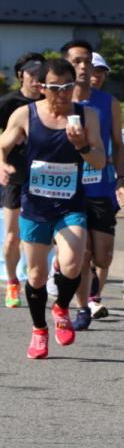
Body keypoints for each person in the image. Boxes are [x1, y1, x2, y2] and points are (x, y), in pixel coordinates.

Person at [0, 58, 106, 357]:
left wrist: (83, 146)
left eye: (68, 87)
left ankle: (60, 309)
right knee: (34, 275)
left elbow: (99, 161)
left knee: (73, 262)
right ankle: (39, 329)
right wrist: (2, 165)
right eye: (56, 88)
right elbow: (2, 145)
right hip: (35, 205)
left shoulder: (87, 117)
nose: (62, 94)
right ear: (42, 87)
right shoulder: (25, 115)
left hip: (70, 204)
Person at [61, 40, 124, 329]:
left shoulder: (108, 103)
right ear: (67, 65)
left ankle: (81, 281)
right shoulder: (59, 102)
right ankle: (83, 306)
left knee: (103, 257)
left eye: (86, 61)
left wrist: (122, 180)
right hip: (71, 189)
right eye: (76, 61)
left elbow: (117, 144)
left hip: (101, 185)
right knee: (84, 251)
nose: (82, 67)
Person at [0, 52, 44, 308]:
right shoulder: (8, 103)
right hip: (15, 176)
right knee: (11, 237)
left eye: (42, 75)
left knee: (37, 237)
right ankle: (12, 281)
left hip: (44, 178)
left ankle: (37, 280)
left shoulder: (49, 103)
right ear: (21, 76)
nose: (37, 80)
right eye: (32, 74)